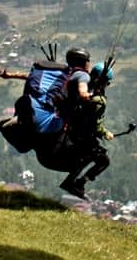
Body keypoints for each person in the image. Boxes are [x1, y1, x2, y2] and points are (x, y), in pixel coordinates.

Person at [57, 62, 116, 199]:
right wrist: (105, 133)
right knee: (103, 160)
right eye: (107, 83)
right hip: (82, 134)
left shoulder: (86, 90)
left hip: (72, 127)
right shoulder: (98, 100)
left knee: (89, 154)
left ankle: (72, 181)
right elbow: (94, 124)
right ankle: (76, 183)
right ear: (104, 82)